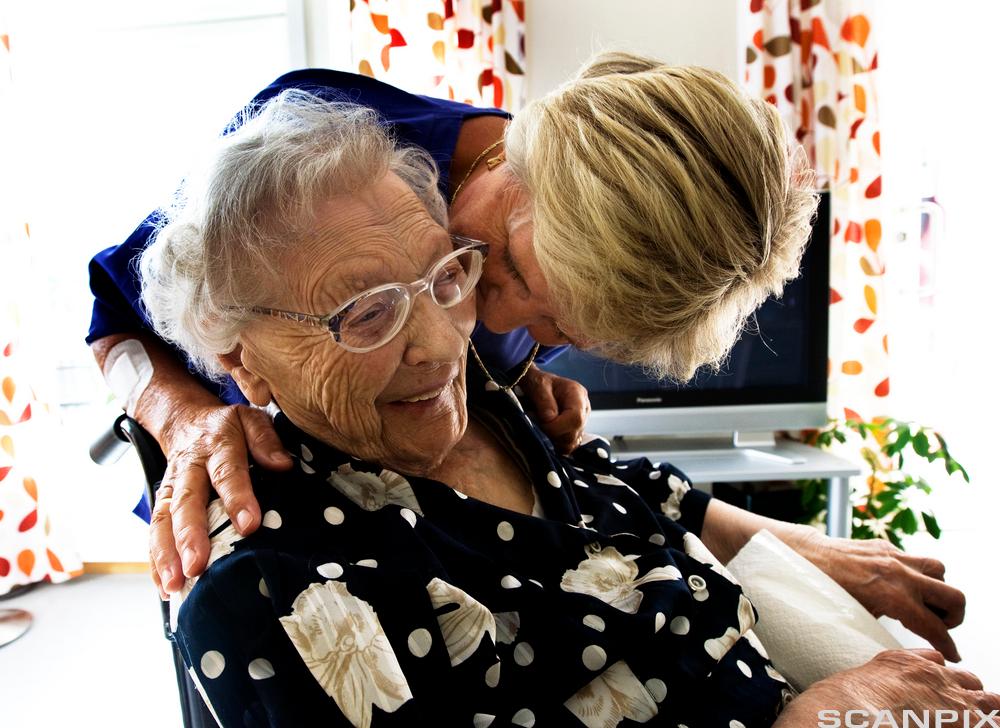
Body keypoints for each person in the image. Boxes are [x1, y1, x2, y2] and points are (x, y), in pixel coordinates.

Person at [142, 90, 997, 728]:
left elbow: (628, 494)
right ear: (238, 361)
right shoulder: (273, 595)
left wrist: (798, 549)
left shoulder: (505, 412)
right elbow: (110, 296)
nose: (445, 346)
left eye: (450, 277)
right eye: (364, 314)